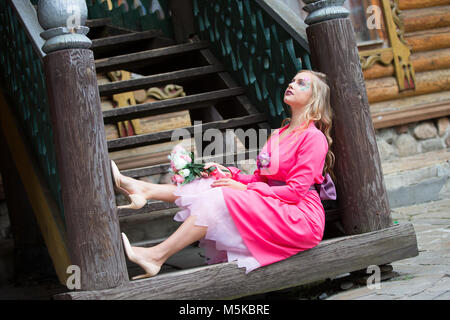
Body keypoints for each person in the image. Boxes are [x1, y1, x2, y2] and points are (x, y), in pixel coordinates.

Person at [112, 70, 336, 279]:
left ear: (314, 99)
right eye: (293, 80)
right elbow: (262, 179)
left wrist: (245, 188)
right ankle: (145, 191)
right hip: (275, 202)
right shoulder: (280, 134)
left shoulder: (313, 138)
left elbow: (295, 192)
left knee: (222, 197)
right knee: (216, 183)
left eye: (301, 83)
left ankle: (156, 254)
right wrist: (231, 174)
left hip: (300, 217)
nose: (291, 84)